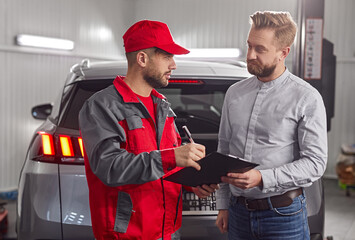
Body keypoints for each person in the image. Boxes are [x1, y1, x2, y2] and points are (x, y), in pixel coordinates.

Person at [79, 20, 218, 240]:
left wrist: (193, 185)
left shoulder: (162, 105)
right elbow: (110, 168)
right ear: (142, 59)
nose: (174, 65)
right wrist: (172, 157)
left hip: (167, 232)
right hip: (127, 235)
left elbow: (165, 167)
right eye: (167, 57)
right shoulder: (102, 106)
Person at [215, 11, 327, 240]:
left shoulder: (306, 97)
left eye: (260, 49)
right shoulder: (234, 94)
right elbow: (224, 151)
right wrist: (224, 205)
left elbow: (315, 163)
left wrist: (263, 177)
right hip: (238, 214)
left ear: (283, 53)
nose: (250, 55)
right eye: (249, 46)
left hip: (284, 215)